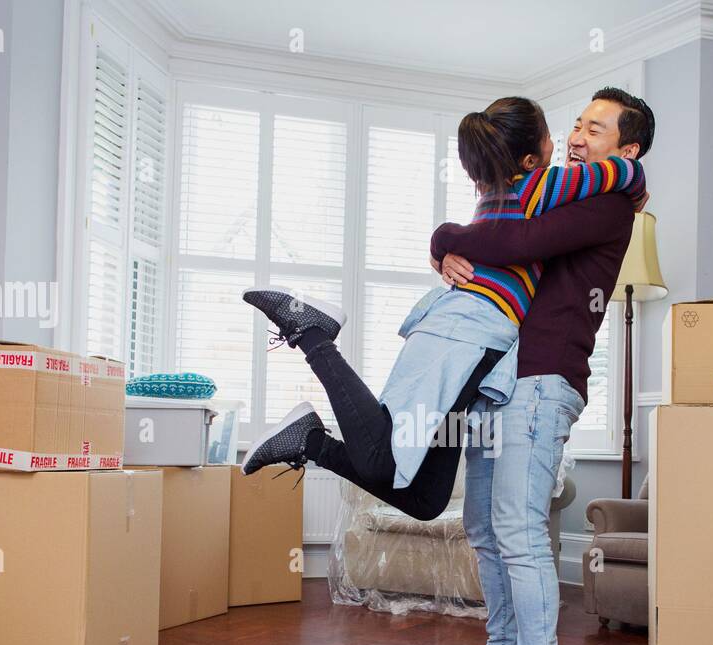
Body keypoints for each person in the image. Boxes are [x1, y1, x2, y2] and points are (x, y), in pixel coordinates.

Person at [239, 95, 645, 525]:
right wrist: (635, 177)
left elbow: (505, 238)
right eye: (556, 134)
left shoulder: (497, 190)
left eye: (590, 129)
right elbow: (606, 179)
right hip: (465, 331)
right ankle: (312, 334)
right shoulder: (539, 185)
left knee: (427, 497)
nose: (567, 141)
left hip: (478, 341)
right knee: (381, 456)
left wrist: (445, 239)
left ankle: (311, 441)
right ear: (530, 158)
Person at [432, 88, 656, 645]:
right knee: (483, 522)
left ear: (628, 149)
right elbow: (492, 215)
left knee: (518, 531)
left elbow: (516, 240)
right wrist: (443, 242)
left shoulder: (608, 203)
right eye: (577, 125)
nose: (581, 135)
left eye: (598, 128)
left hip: (542, 379)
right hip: (499, 380)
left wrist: (450, 238)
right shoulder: (555, 188)